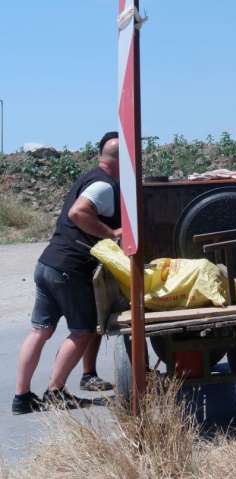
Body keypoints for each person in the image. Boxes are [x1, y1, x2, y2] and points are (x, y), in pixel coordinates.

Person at [12, 131, 122, 414]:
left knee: (40, 331)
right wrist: (111, 233)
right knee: (83, 331)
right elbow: (78, 213)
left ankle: (22, 398)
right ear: (118, 161)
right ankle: (55, 392)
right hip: (69, 268)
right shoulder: (104, 185)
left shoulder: (89, 177)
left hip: (47, 263)